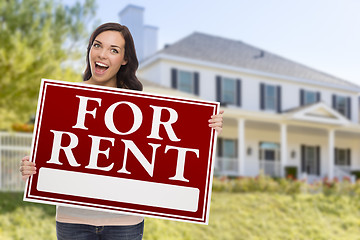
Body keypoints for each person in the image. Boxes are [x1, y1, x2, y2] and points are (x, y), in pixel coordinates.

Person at [20, 22, 224, 240]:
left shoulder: (142, 107)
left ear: (124, 60)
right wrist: (30, 168)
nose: (103, 54)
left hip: (124, 224)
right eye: (97, 45)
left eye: (114, 50)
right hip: (73, 221)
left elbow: (173, 154)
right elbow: (48, 158)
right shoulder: (63, 99)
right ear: (90, 49)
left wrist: (205, 131)